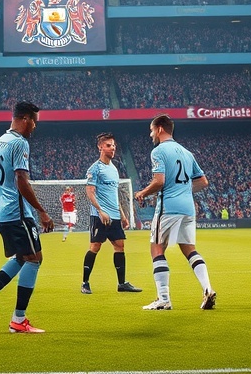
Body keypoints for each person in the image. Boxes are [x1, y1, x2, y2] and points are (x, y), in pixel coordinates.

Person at [0, 101, 54, 334]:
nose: (35, 126)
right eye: (34, 121)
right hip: (16, 212)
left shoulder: (2, 141)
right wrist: (41, 211)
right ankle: (18, 319)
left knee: (21, 258)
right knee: (34, 259)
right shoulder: (19, 142)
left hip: (1, 212)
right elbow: (21, 179)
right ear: (25, 119)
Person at [134, 114, 215, 311]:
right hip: (188, 208)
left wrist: (143, 193)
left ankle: (163, 299)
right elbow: (203, 182)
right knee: (189, 249)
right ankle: (208, 289)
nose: (151, 134)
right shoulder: (187, 152)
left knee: (157, 248)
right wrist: (183, 190)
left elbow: (159, 181)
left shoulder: (158, 151)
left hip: (168, 207)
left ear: (160, 129)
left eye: (152, 130)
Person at [81, 133, 140, 295]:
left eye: (113, 145)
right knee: (95, 246)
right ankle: (85, 283)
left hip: (114, 216)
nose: (112, 148)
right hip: (99, 216)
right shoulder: (95, 168)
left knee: (119, 246)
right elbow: (90, 192)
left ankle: (122, 284)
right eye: (108, 145)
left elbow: (114, 194)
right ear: (100, 147)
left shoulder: (114, 169)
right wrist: (100, 211)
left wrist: (123, 215)